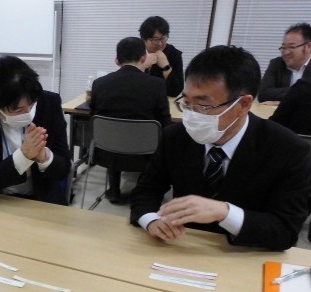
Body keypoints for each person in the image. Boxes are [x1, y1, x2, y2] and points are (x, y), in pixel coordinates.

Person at [130, 46, 311, 251]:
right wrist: (151, 220)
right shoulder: (176, 136)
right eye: (187, 103)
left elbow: (285, 231)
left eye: (203, 106)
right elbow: (147, 189)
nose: (192, 115)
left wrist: (225, 213)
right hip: (182, 245)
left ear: (243, 104)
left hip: (245, 252)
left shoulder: (288, 149)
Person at [0, 55, 71, 205]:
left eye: (32, 104)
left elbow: (64, 168)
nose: (28, 113)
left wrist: (44, 158)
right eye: (18, 110)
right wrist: (23, 156)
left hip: (42, 199)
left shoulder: (49, 103)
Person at [90, 37, 171, 203]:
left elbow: (93, 116)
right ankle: (142, 189)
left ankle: (114, 189)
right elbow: (165, 122)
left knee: (115, 133)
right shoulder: (157, 85)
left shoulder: (99, 83)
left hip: (106, 152)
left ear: (117, 60)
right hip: (146, 154)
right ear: (143, 58)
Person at [258, 22, 311, 103]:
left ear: (308, 47)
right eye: (283, 47)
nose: (286, 52)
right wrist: (301, 91)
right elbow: (263, 94)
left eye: (291, 47)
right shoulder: (276, 64)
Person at [139, 16, 184, 97]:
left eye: (163, 38)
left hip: (162, 100)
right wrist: (143, 66)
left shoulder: (173, 54)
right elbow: (127, 84)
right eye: (155, 39)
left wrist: (166, 67)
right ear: (143, 40)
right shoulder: (136, 52)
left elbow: (176, 91)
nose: (160, 43)